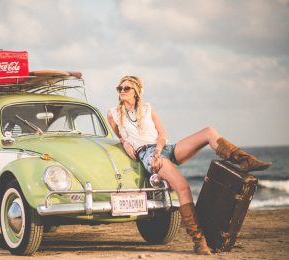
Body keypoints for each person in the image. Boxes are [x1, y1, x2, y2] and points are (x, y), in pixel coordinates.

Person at [107, 75, 271, 255]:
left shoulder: (148, 109)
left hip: (163, 149)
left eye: (126, 88)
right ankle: (199, 240)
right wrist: (126, 143)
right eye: (120, 88)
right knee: (183, 187)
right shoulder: (113, 114)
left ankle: (245, 160)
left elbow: (162, 134)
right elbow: (121, 136)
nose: (122, 91)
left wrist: (159, 150)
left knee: (208, 132)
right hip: (148, 155)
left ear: (136, 92)